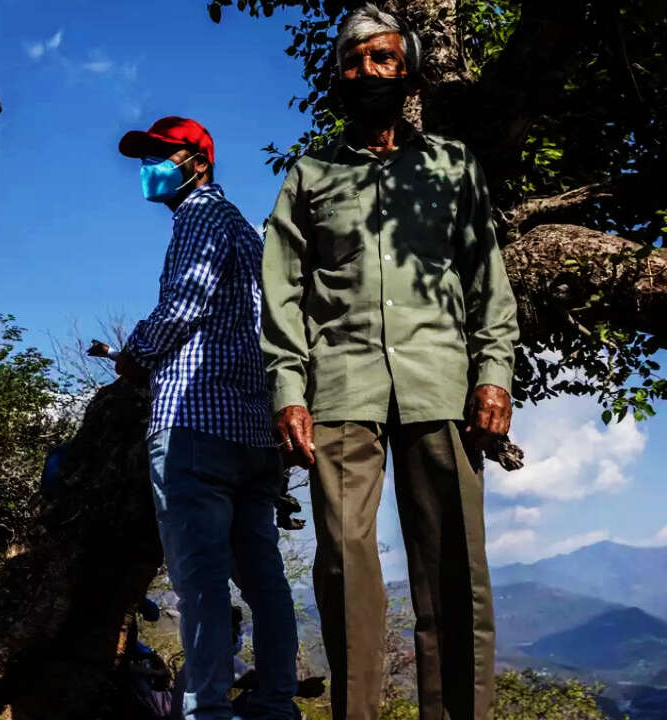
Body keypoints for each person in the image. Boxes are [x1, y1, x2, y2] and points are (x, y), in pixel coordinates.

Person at [260, 5, 519, 720]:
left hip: (442, 386)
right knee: (345, 567)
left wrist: (493, 375)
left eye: (382, 58)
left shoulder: (453, 166)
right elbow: (281, 291)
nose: (367, 71)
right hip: (340, 392)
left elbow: (484, 279)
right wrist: (289, 388)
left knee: (454, 568)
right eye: (353, 60)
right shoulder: (310, 178)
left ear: (406, 68)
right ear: (336, 75)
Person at [115, 116, 299, 720]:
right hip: (251, 429)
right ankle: (275, 702)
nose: (149, 168)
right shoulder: (247, 231)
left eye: (160, 155)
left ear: (197, 162)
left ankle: (208, 711)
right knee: (263, 579)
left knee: (199, 583)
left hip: (195, 422)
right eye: (146, 157)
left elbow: (184, 303)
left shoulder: (198, 216)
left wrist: (136, 354)